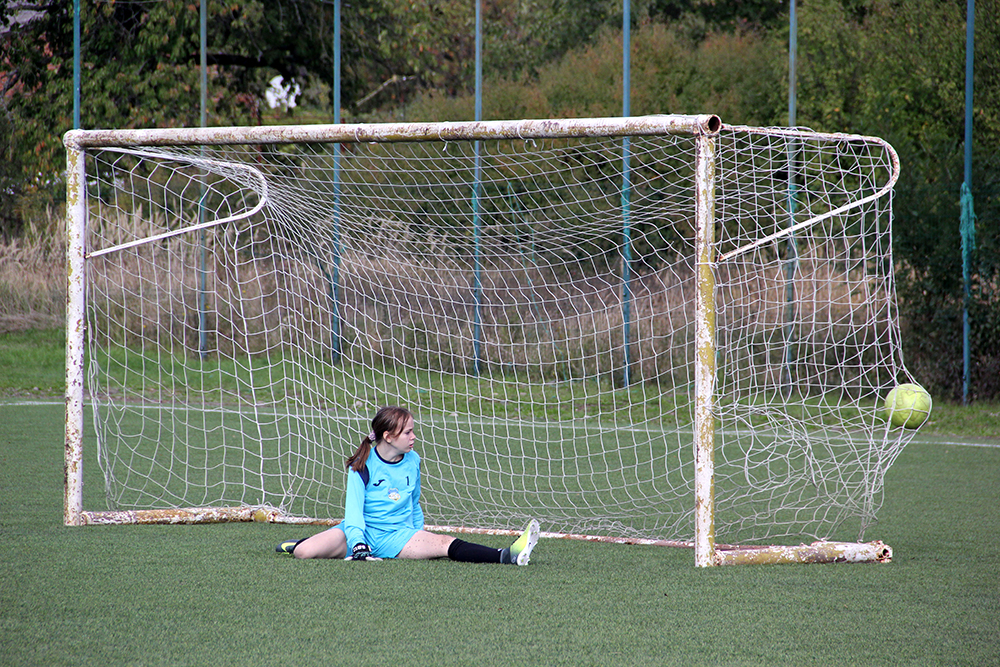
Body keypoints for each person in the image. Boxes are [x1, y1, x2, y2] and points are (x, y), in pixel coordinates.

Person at [276, 405, 540, 565]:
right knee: (304, 552)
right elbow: (353, 514)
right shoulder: (361, 465)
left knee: (444, 544)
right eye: (407, 432)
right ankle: (298, 543)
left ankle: (506, 554)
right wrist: (358, 545)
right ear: (388, 437)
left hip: (399, 536)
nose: (414, 437)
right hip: (361, 533)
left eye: (413, 430)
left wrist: (418, 534)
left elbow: (414, 501)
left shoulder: (413, 460)